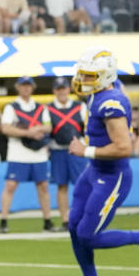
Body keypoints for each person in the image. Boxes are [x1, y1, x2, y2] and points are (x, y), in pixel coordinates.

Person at [62, 47, 139, 276]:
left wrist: (86, 151)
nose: (82, 80)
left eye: (89, 76)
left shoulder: (110, 103)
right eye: (82, 74)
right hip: (94, 171)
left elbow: (124, 147)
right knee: (74, 226)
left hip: (112, 176)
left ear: (103, 77)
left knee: (88, 235)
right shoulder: (107, 86)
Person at [0, 76, 54, 234]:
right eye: (23, 85)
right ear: (17, 87)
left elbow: (48, 127)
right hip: (18, 153)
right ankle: (3, 221)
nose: (26, 88)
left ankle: (47, 221)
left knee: (43, 186)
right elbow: (6, 128)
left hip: (38, 153)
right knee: (11, 185)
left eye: (28, 85)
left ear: (32, 87)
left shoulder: (40, 107)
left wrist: (38, 130)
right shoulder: (11, 107)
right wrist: (27, 133)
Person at [48, 76, 88, 230]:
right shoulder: (48, 108)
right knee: (61, 185)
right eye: (58, 89)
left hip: (77, 150)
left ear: (68, 89)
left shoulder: (80, 106)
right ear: (54, 91)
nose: (61, 91)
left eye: (63, 88)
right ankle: (65, 219)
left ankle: (82, 217)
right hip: (58, 150)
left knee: (81, 184)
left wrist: (84, 145)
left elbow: (87, 127)